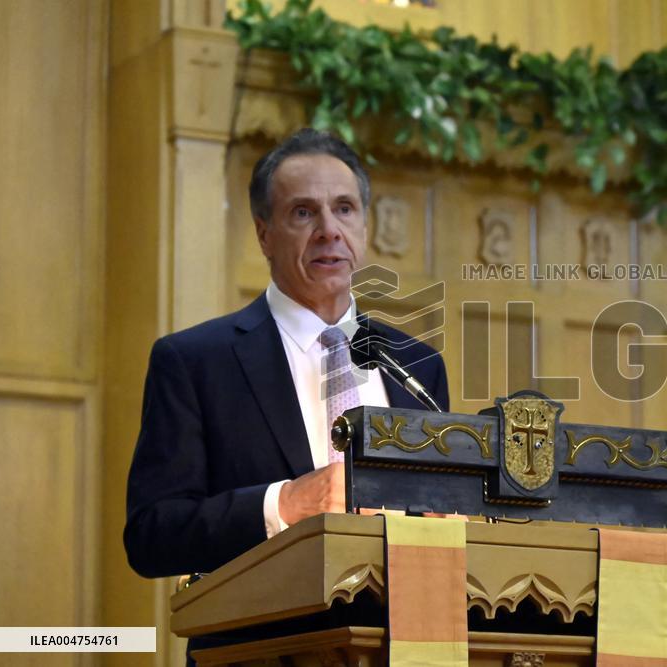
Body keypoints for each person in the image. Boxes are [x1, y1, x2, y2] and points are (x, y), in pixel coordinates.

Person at [124, 129, 449, 581]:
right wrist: (284, 504)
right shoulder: (195, 362)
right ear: (264, 235)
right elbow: (151, 537)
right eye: (303, 212)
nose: (329, 230)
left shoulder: (417, 366)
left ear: (364, 228)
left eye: (344, 209)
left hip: (395, 639)